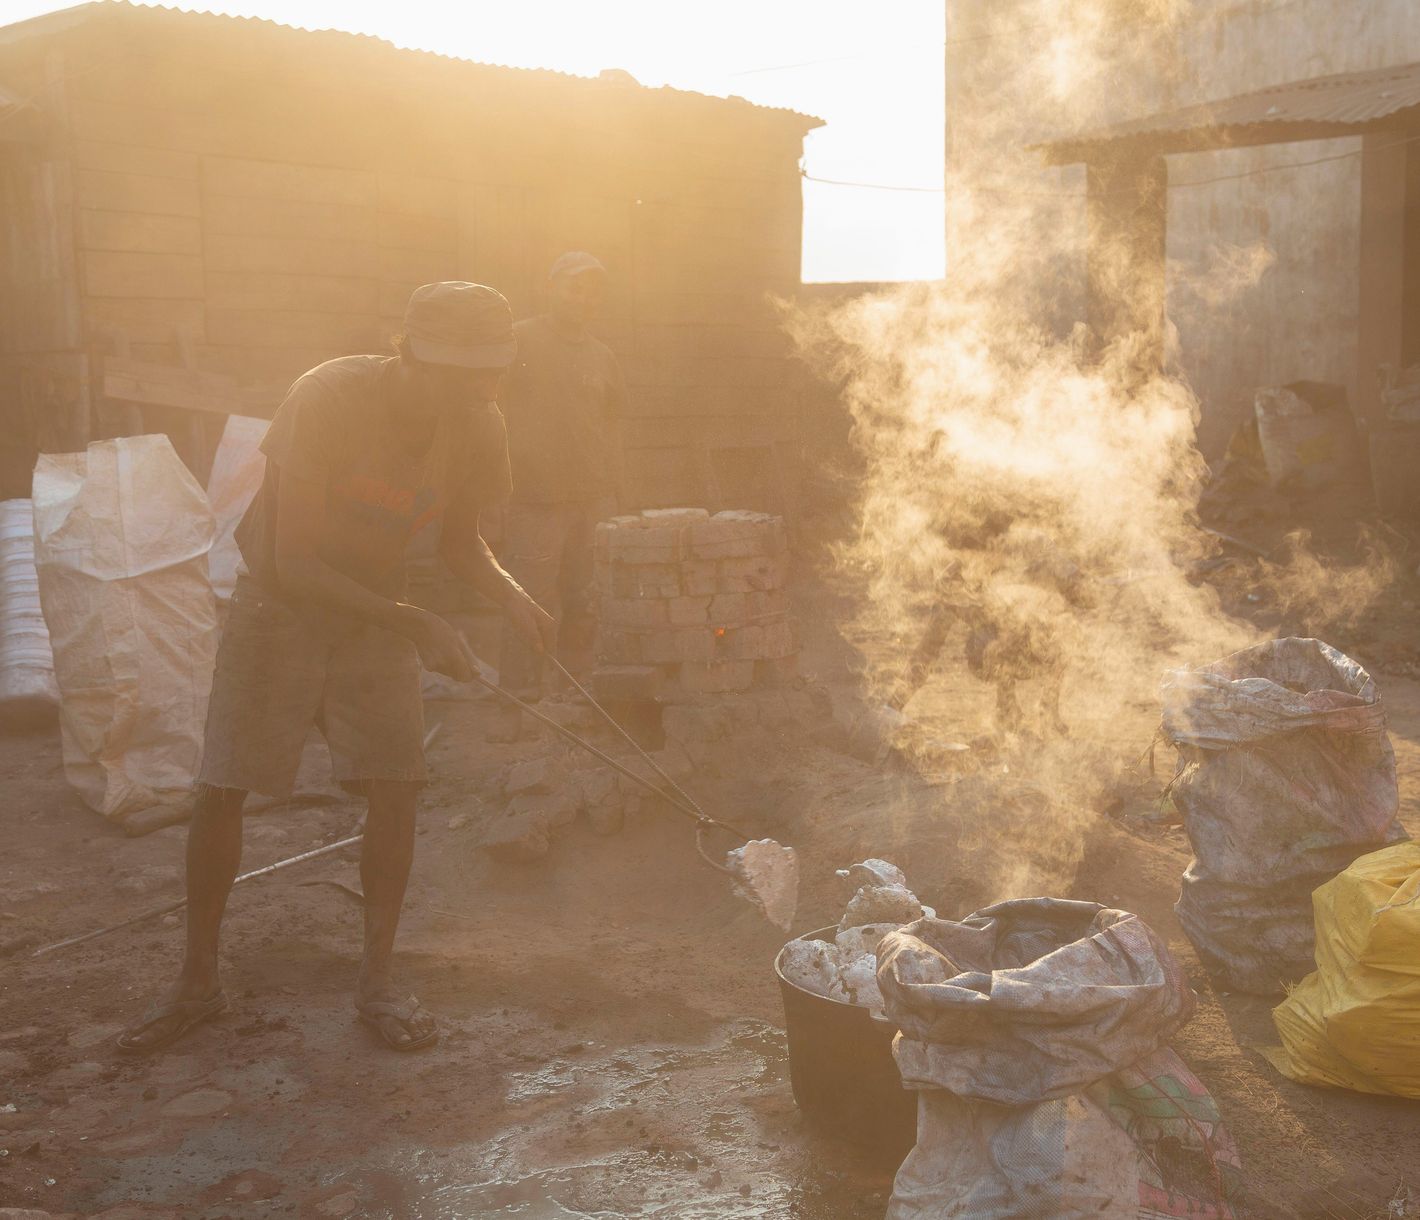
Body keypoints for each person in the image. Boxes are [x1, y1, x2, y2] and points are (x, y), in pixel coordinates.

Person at [117, 282, 554, 1055]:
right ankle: (197, 984)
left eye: (491, 374)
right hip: (278, 607)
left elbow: (461, 544)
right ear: (411, 355)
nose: (481, 391)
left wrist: (517, 599)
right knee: (223, 787)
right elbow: (293, 561)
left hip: (378, 606)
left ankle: (378, 983)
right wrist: (418, 624)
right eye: (463, 374)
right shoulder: (326, 397)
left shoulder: (479, 422)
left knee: (397, 786)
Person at [491, 251, 626, 739]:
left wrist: (616, 490)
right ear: (551, 288)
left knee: (587, 598)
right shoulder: (522, 340)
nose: (584, 297)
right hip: (534, 497)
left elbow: (611, 426)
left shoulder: (602, 355)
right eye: (574, 286)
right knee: (529, 597)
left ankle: (575, 691)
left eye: (593, 290)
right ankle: (519, 699)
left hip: (593, 498)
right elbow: (492, 409)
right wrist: (493, 489)